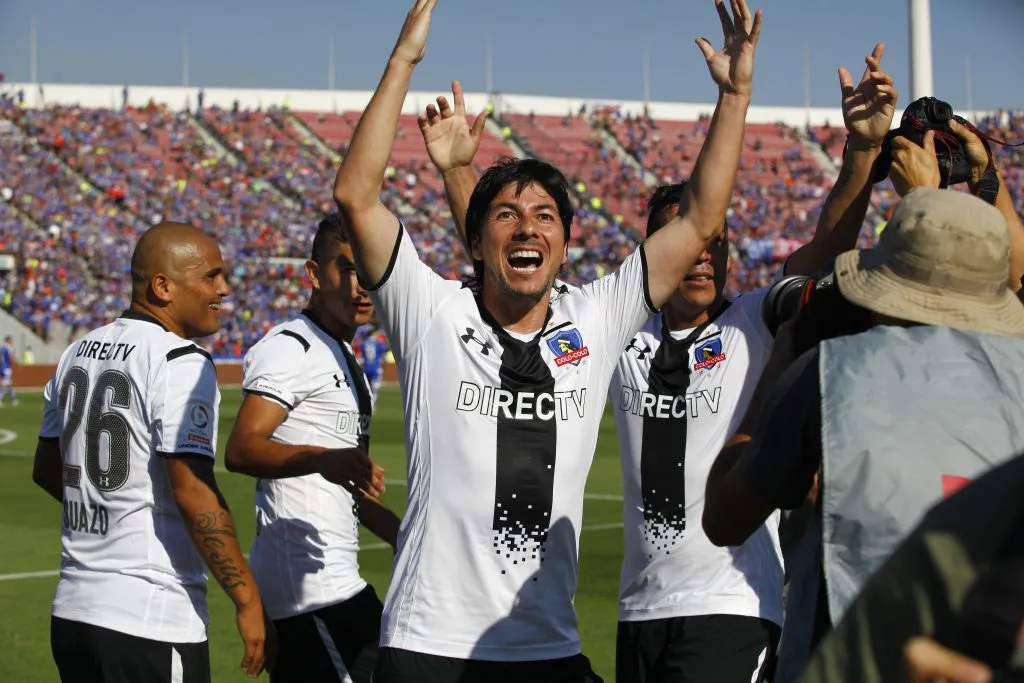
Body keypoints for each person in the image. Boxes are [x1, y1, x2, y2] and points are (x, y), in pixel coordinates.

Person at [418, 41, 899, 683]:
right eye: (689, 246)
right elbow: (504, 271)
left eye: (715, 244)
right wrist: (459, 173)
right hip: (638, 611)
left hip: (731, 603)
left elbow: (824, 253)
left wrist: (863, 152)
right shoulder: (618, 338)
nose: (702, 258)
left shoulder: (752, 322)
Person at [332, 0, 759, 680]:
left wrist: (734, 96)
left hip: (547, 649)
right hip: (430, 644)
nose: (527, 228)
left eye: (544, 217)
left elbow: (703, 215)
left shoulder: (595, 317)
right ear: (476, 241)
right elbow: (356, 194)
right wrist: (404, 61)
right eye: (506, 215)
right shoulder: (432, 311)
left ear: (566, 244)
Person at [702, 188, 1024, 682]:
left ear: (884, 285)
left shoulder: (830, 371)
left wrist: (779, 367)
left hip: (847, 660)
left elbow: (724, 517)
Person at [31, 222, 273, 683]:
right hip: (149, 619)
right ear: (162, 286)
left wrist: (110, 508)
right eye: (211, 276)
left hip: (73, 613)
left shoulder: (75, 352)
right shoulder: (180, 360)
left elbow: (47, 470)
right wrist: (247, 598)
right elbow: (193, 491)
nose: (223, 289)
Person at [225, 212, 396, 683]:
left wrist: (410, 540)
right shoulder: (292, 347)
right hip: (311, 593)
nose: (361, 285)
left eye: (369, 269)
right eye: (347, 268)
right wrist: (321, 459)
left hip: (334, 585)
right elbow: (241, 450)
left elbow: (352, 490)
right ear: (315, 275)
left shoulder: (347, 359)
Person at [1, 334, 18, 405]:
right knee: (4, 384)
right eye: (11, 340)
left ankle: (13, 400)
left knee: (9, 384)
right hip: (6, 368)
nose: (12, 341)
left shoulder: (2, 348)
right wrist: (17, 363)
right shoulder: (8, 347)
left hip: (2, 367)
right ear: (8, 340)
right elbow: (10, 357)